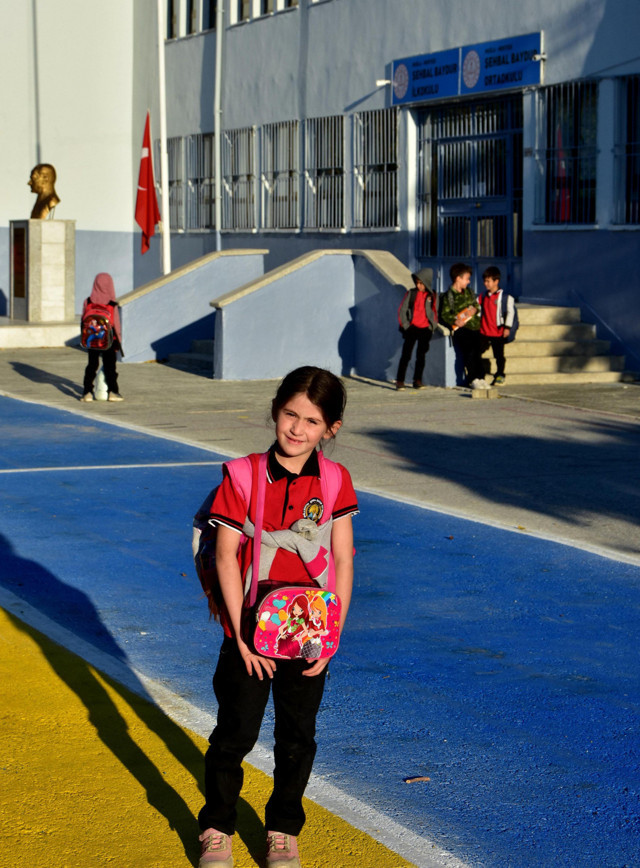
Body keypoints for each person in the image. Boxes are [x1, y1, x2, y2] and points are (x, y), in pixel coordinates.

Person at [197, 366, 358, 868]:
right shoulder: (242, 474)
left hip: (308, 635)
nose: (296, 428)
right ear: (275, 411)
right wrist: (241, 637)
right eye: (290, 414)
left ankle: (283, 829)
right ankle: (217, 826)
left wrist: (331, 637)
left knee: (297, 737)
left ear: (329, 429)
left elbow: (344, 558)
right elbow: (225, 556)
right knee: (235, 733)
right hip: (248, 632)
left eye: (311, 421)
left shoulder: (333, 480)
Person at [439, 262, 487, 389]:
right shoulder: (449, 296)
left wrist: (474, 310)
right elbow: (444, 314)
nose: (468, 282)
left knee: (477, 353)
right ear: (458, 278)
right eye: (466, 279)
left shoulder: (469, 292)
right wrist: (454, 321)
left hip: (475, 327)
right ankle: (473, 379)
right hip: (462, 330)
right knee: (469, 353)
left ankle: (481, 378)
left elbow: (476, 305)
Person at [80, 273, 124, 402]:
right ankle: (113, 392)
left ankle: (87, 392)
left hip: (92, 339)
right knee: (110, 366)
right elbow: (116, 325)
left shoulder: (88, 301)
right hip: (108, 340)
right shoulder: (111, 304)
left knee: (91, 365)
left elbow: (83, 321)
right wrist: (118, 342)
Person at [395, 267, 438, 390]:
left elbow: (435, 311)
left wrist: (432, 326)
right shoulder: (411, 293)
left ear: (427, 282)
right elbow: (402, 310)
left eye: (421, 283)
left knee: (421, 356)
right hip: (412, 328)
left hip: (425, 329)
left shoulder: (433, 295)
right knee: (406, 355)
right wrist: (406, 326)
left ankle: (417, 380)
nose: (418, 285)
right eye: (417, 283)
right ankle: (400, 381)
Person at [478, 266, 517, 386]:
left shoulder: (505, 297)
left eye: (488, 281)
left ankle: (500, 374)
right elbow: (476, 308)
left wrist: (507, 327)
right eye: (485, 281)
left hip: (497, 331)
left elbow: (511, 313)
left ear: (496, 281)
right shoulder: (483, 296)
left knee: (499, 354)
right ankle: (479, 375)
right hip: (484, 330)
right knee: (477, 352)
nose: (486, 284)